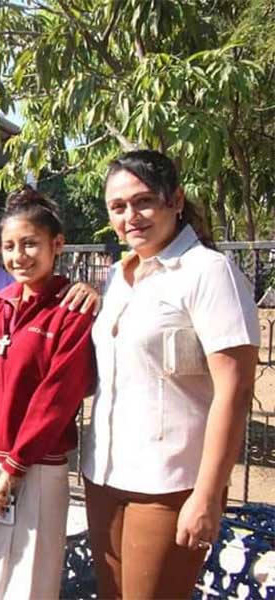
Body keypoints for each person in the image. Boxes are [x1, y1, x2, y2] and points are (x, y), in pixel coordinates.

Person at [81, 150, 260, 599]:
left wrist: (207, 495)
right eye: (118, 207)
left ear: (175, 200)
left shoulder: (208, 273)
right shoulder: (119, 276)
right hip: (105, 473)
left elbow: (235, 391)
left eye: (143, 201)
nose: (130, 216)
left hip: (170, 483)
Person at [0, 210, 100, 599]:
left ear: (56, 245)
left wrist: (13, 471)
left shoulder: (70, 312)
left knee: (30, 583)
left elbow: (56, 398)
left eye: (30, 244)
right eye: (10, 246)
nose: (19, 256)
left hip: (36, 468)